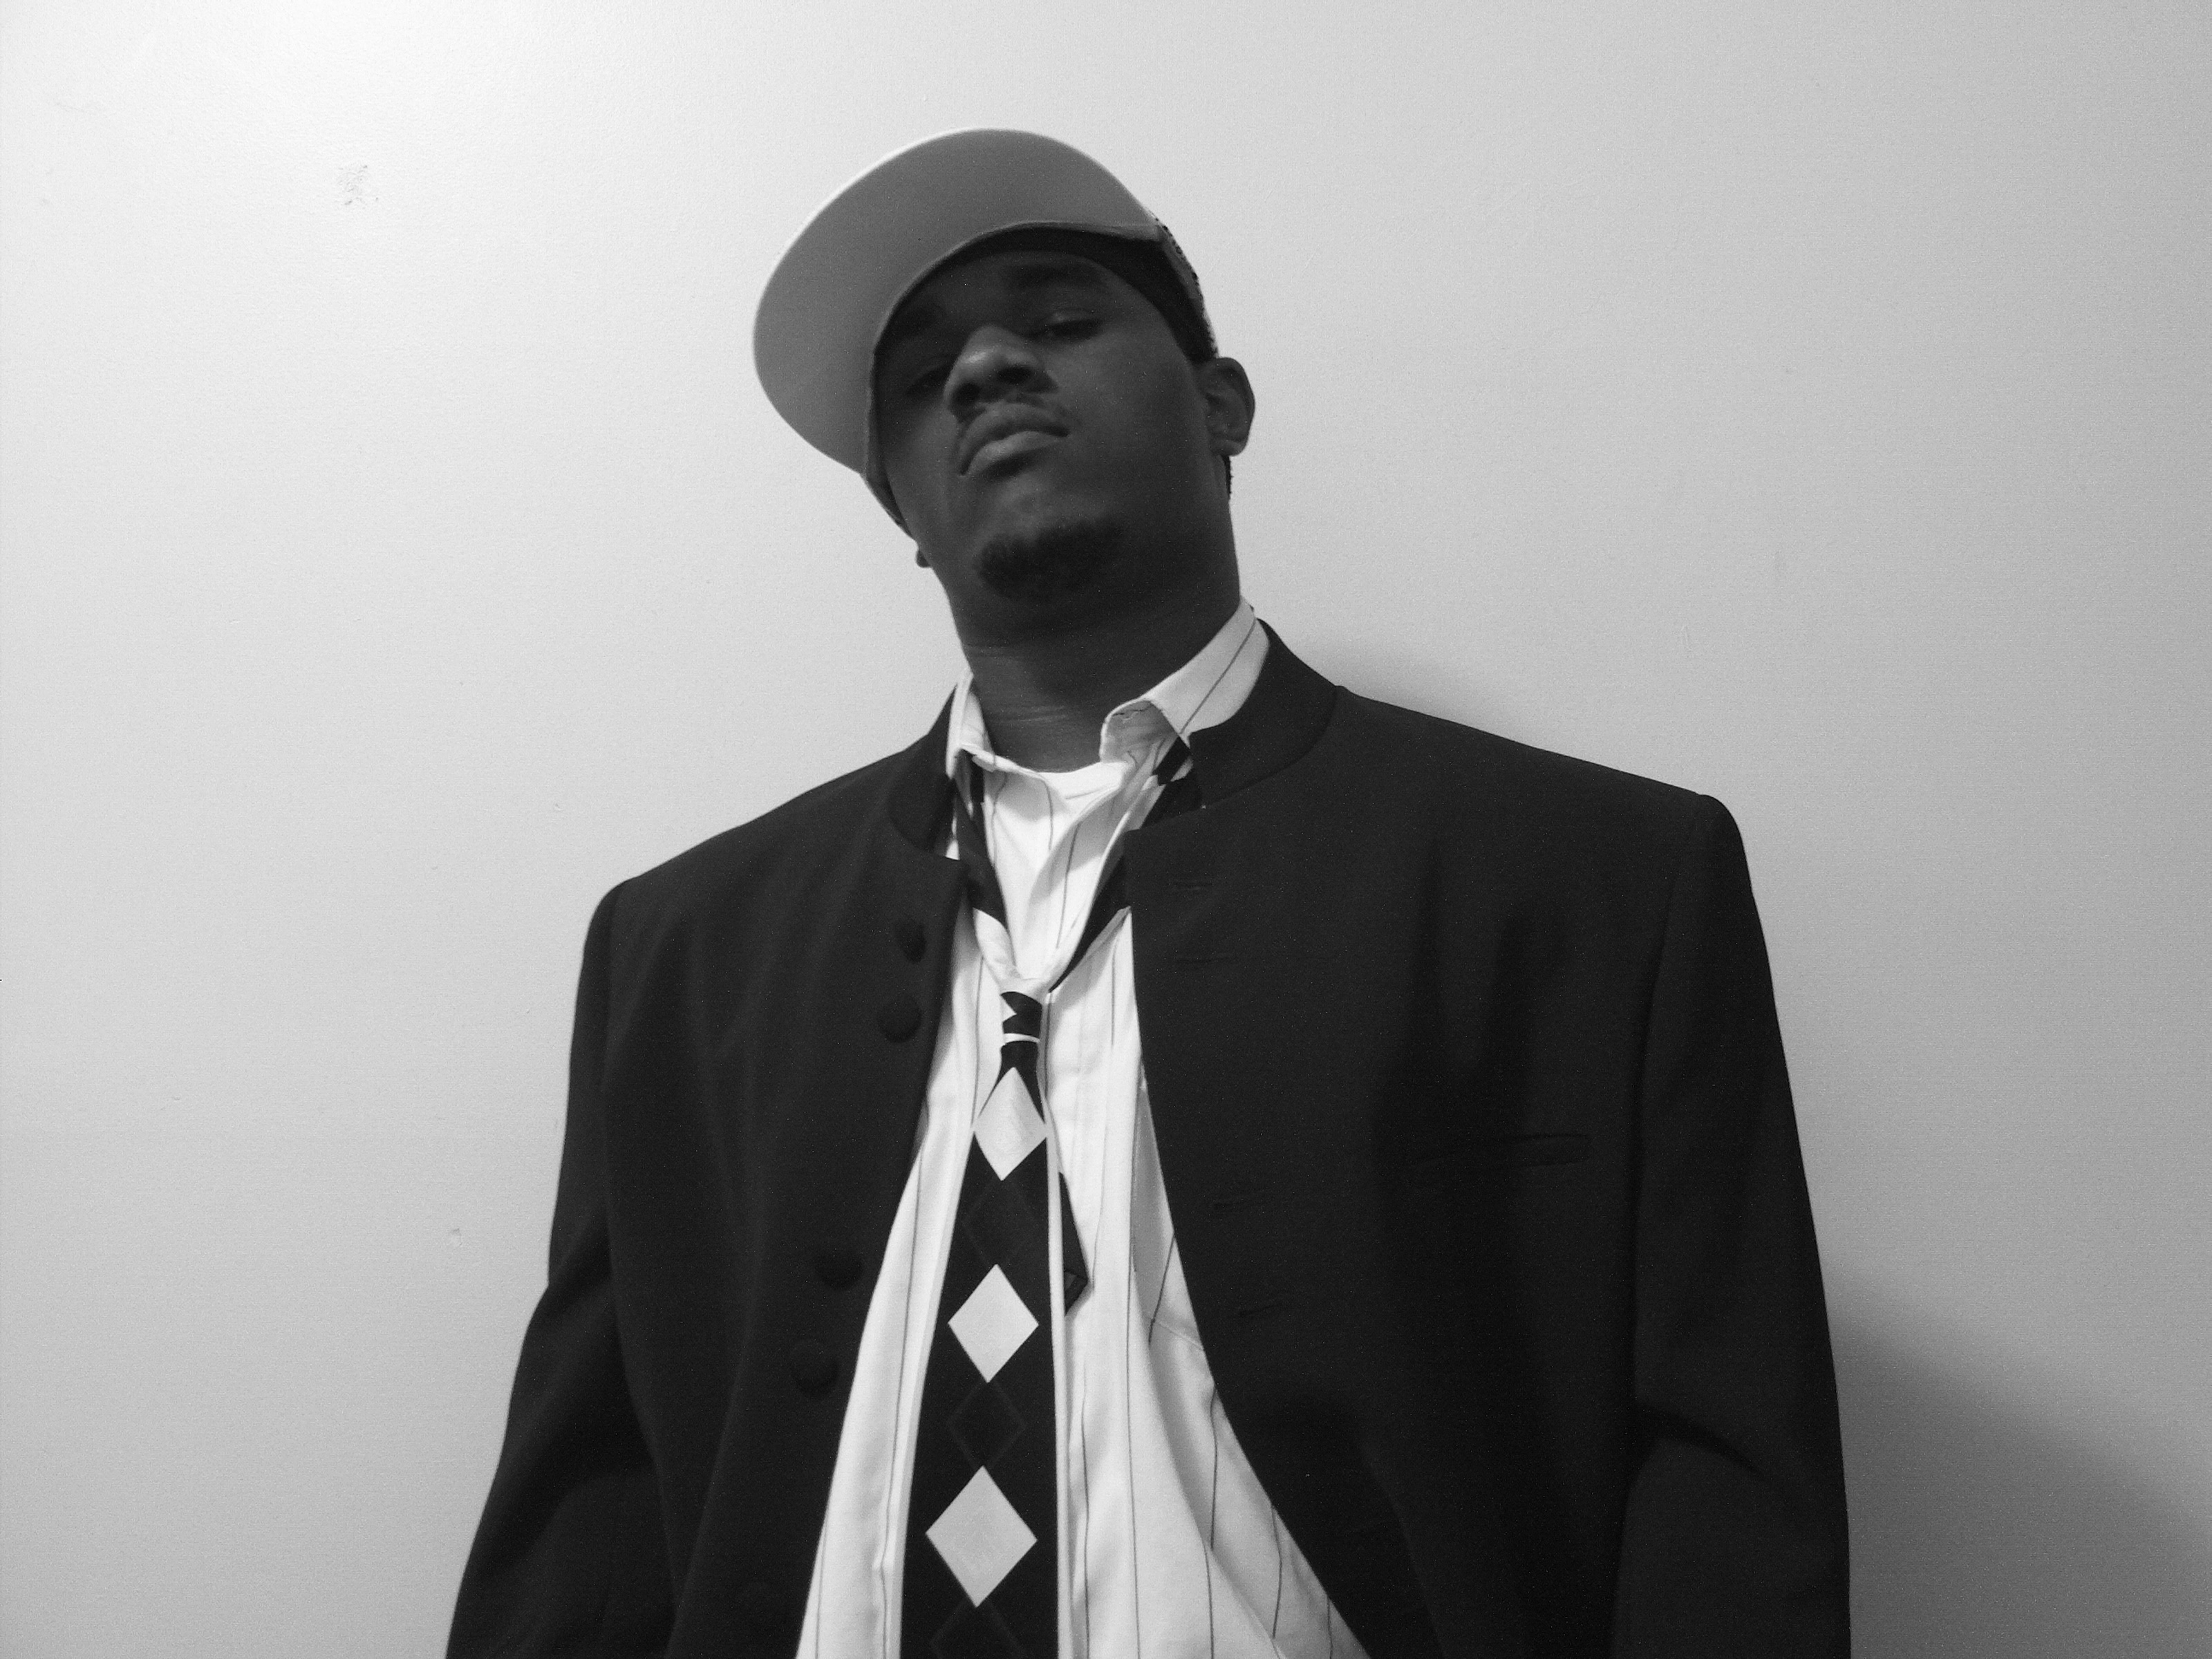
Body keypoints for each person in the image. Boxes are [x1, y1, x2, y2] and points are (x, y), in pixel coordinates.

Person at [448, 129, 1850, 1659]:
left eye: (1058, 320)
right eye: (920, 378)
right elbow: (586, 1528)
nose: (985, 370)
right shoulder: (680, 954)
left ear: (1223, 406)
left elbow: (1728, 1507)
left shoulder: (1593, 884)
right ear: (901, 515)